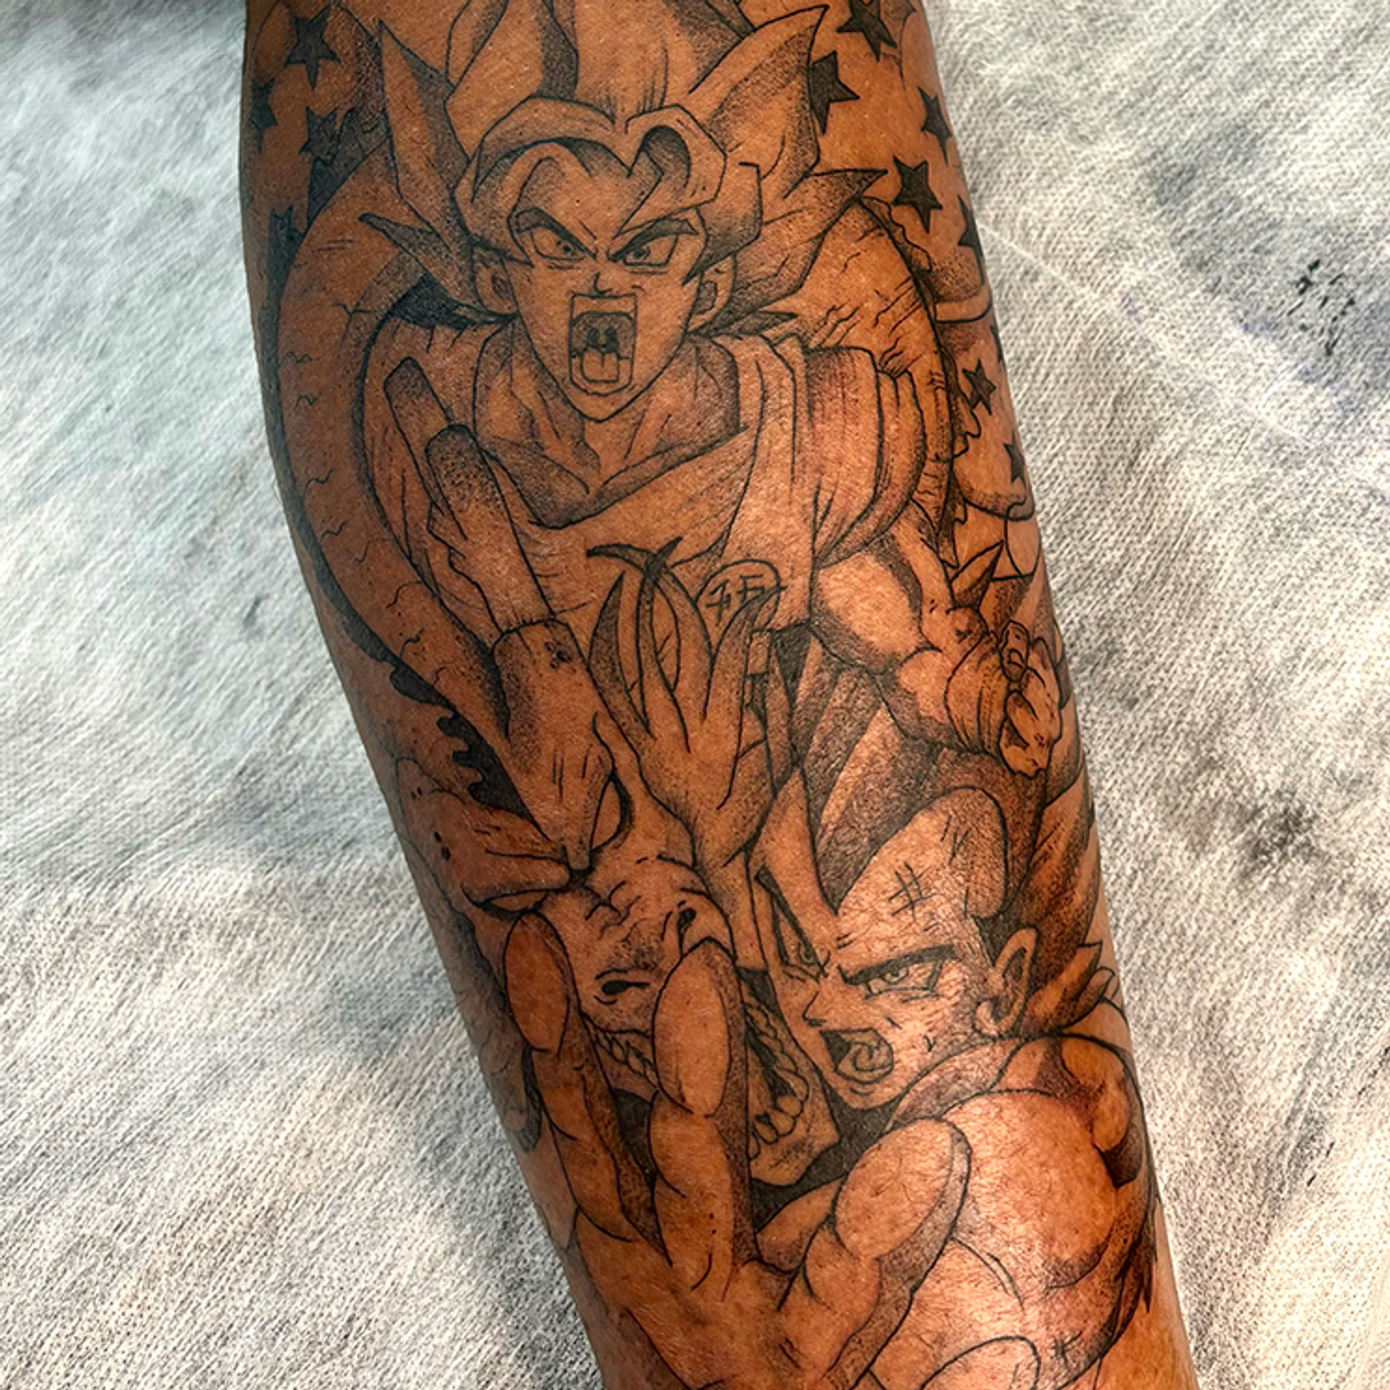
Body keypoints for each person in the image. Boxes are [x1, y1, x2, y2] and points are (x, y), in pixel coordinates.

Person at [242, 0, 1200, 1384]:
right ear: (490, 267)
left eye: (646, 252)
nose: (601, 297)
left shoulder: (807, 428)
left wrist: (926, 684)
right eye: (552, 247)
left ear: (704, 275)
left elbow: (902, 645)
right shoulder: (437, 447)